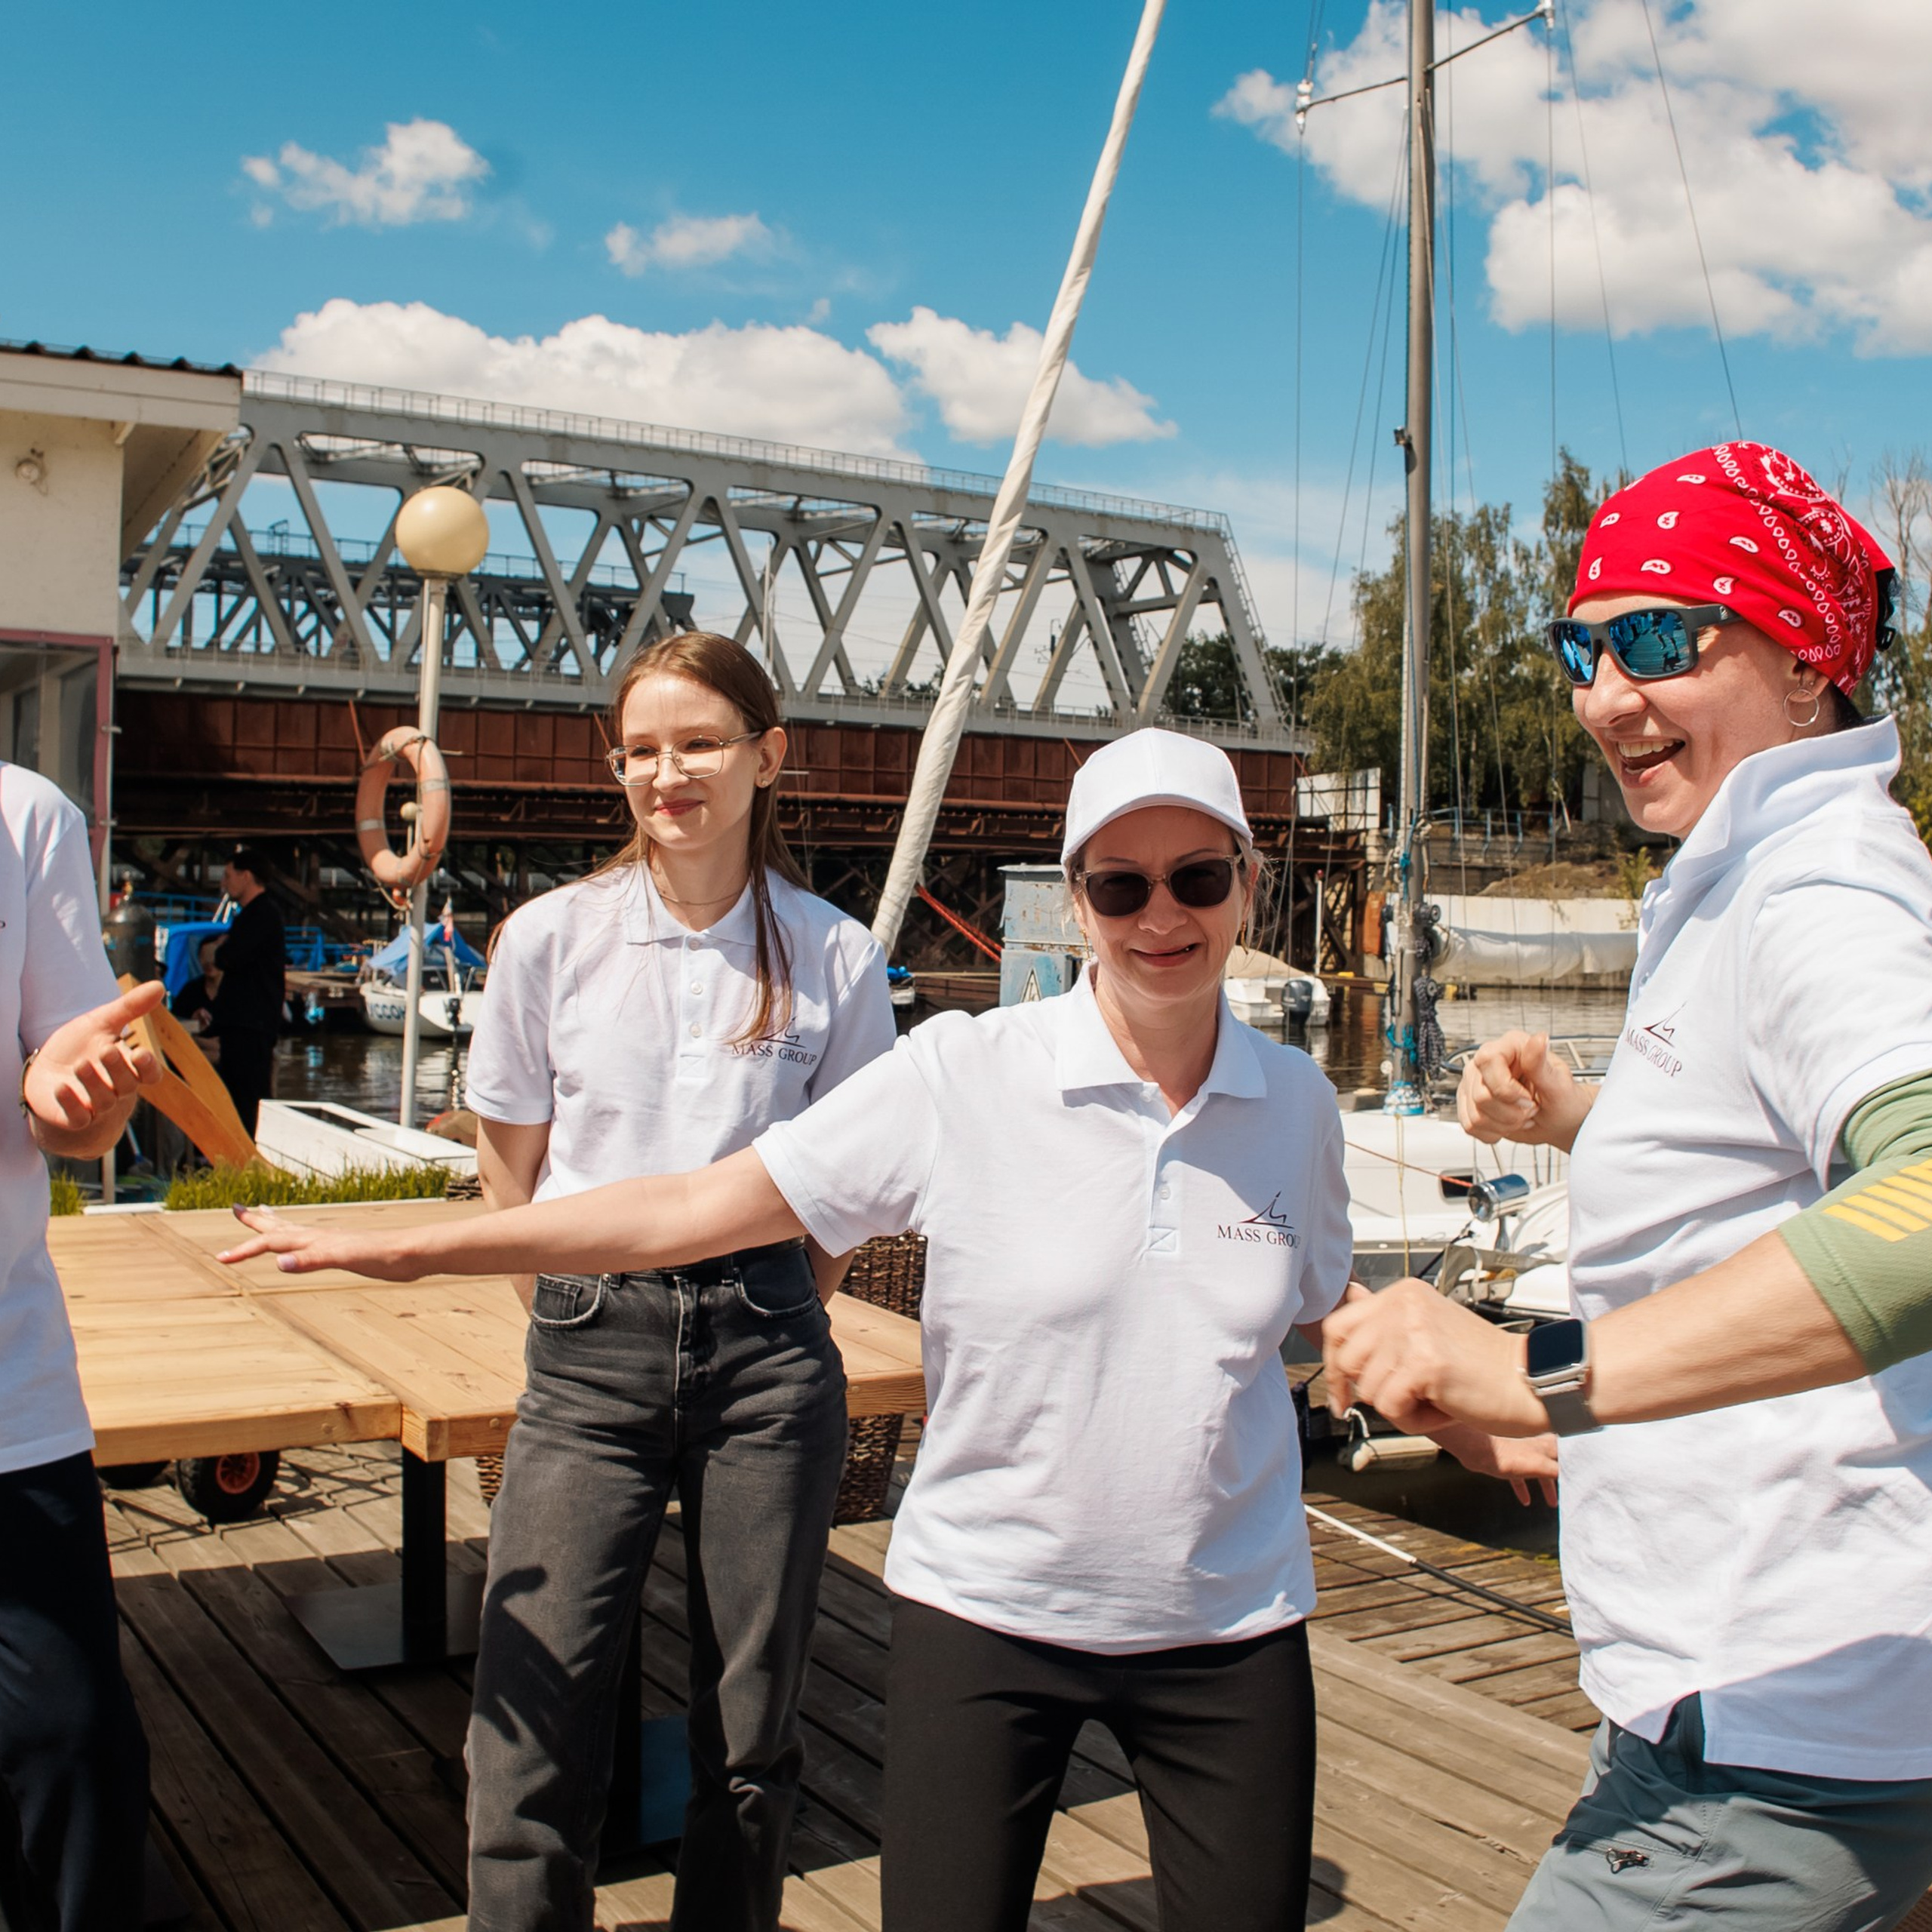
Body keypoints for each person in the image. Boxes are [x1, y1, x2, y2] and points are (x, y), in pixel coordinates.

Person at [221, 727, 1553, 1932]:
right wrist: (418, 1243)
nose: (1162, 916)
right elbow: (690, 1208)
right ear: (1079, 897)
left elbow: (1322, 1313)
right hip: (990, 1617)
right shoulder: (964, 1074)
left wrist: (1500, 1423)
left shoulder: (1298, 1101)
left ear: (1248, 886)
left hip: (1227, 1624)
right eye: (1120, 885)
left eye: (1197, 880)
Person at [1321, 443, 1932, 1930]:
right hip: (1753, 1691)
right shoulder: (1741, 867)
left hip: (1770, 1735)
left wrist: (1543, 1375)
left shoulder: (1812, 890)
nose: (1602, 693)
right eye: (1577, 647)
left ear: (1802, 664)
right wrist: (1585, 1122)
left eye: (1658, 638)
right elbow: (1776, 1191)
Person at [454, 632, 896, 1930]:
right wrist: (580, 1314)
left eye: (699, 743)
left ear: (767, 758)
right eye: (642, 750)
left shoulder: (833, 957)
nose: (669, 774)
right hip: (591, 1352)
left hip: (769, 1358)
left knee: (749, 1735)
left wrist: (781, 1300)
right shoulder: (549, 942)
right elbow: (508, 1170)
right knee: (532, 1719)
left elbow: (849, 1188)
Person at [2, 757, 162, 1928]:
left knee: (70, 1742)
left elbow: (73, 1080)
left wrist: (83, 1101)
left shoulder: (20, 814)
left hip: (11, 1394)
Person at [211, 847, 284, 1136]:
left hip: (251, 1021)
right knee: (238, 1089)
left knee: (248, 1093)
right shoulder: (255, 915)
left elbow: (229, 957)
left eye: (229, 875)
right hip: (244, 1020)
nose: (224, 883)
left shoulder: (260, 914)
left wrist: (219, 949)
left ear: (246, 876)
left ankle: (249, 1149)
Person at [171, 934, 223, 1054]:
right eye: (205, 958)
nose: (209, 963)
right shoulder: (191, 990)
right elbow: (175, 1026)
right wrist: (194, 1023)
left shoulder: (235, 991)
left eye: (213, 957)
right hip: (197, 1049)